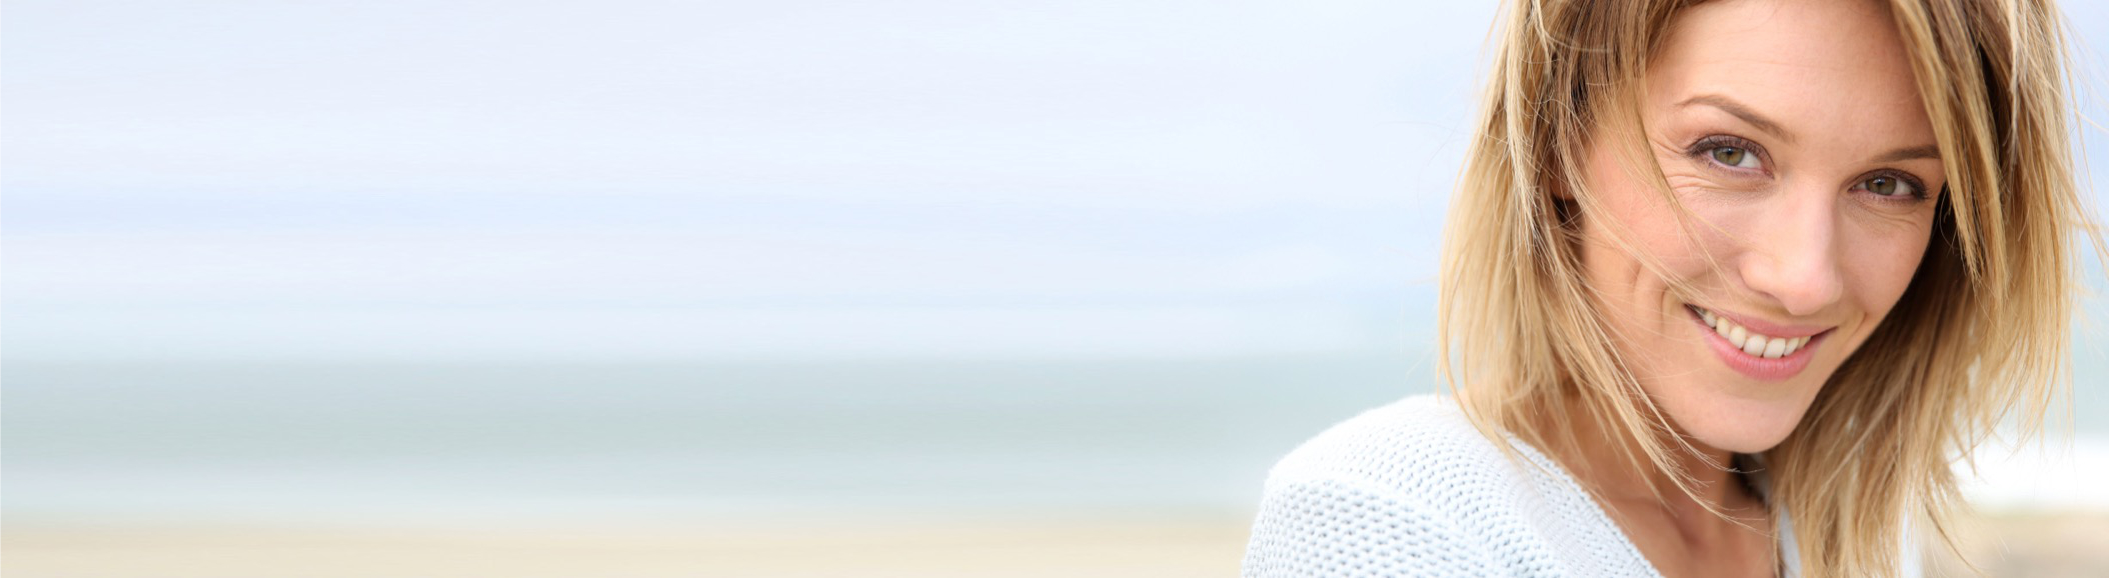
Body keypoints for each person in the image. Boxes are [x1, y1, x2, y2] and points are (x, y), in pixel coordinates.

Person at [1241, 0, 2097, 576]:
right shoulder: (1385, 517)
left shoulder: (1858, 540)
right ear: (1555, 141)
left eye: (1887, 185)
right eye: (1728, 152)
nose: (1802, 280)